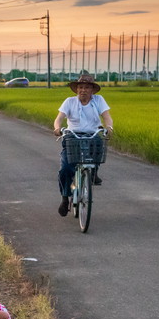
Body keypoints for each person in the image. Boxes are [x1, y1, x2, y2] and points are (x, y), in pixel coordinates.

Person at [53, 74, 115, 216]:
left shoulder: (98, 100)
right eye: (81, 87)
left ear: (92, 90)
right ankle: (64, 198)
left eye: (87, 87)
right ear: (76, 90)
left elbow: (107, 116)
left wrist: (109, 128)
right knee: (66, 168)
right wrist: (57, 128)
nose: (83, 90)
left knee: (99, 145)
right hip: (72, 136)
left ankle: (93, 172)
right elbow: (59, 118)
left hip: (92, 134)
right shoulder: (69, 102)